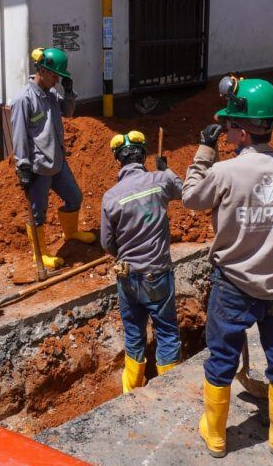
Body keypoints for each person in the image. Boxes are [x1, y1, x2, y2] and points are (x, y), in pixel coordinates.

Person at [183, 77, 273, 458]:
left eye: (229, 125)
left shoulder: (226, 173)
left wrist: (204, 151)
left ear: (242, 131)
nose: (226, 131)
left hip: (233, 284)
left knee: (223, 356)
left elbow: (191, 197)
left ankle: (216, 435)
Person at [100, 130, 183, 393]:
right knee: (167, 331)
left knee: (134, 334)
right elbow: (183, 191)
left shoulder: (111, 197)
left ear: (118, 160)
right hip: (157, 274)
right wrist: (166, 171)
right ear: (143, 156)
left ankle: (131, 391)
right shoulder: (159, 181)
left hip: (127, 275)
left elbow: (107, 243)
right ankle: (168, 392)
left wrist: (123, 251)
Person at [10, 47, 95, 270]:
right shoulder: (23, 100)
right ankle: (41, 254)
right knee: (38, 213)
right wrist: (23, 166)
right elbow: (18, 135)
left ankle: (71, 233)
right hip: (38, 167)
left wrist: (69, 92)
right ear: (43, 70)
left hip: (58, 162)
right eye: (55, 75)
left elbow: (68, 112)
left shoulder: (51, 94)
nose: (57, 79)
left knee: (74, 197)